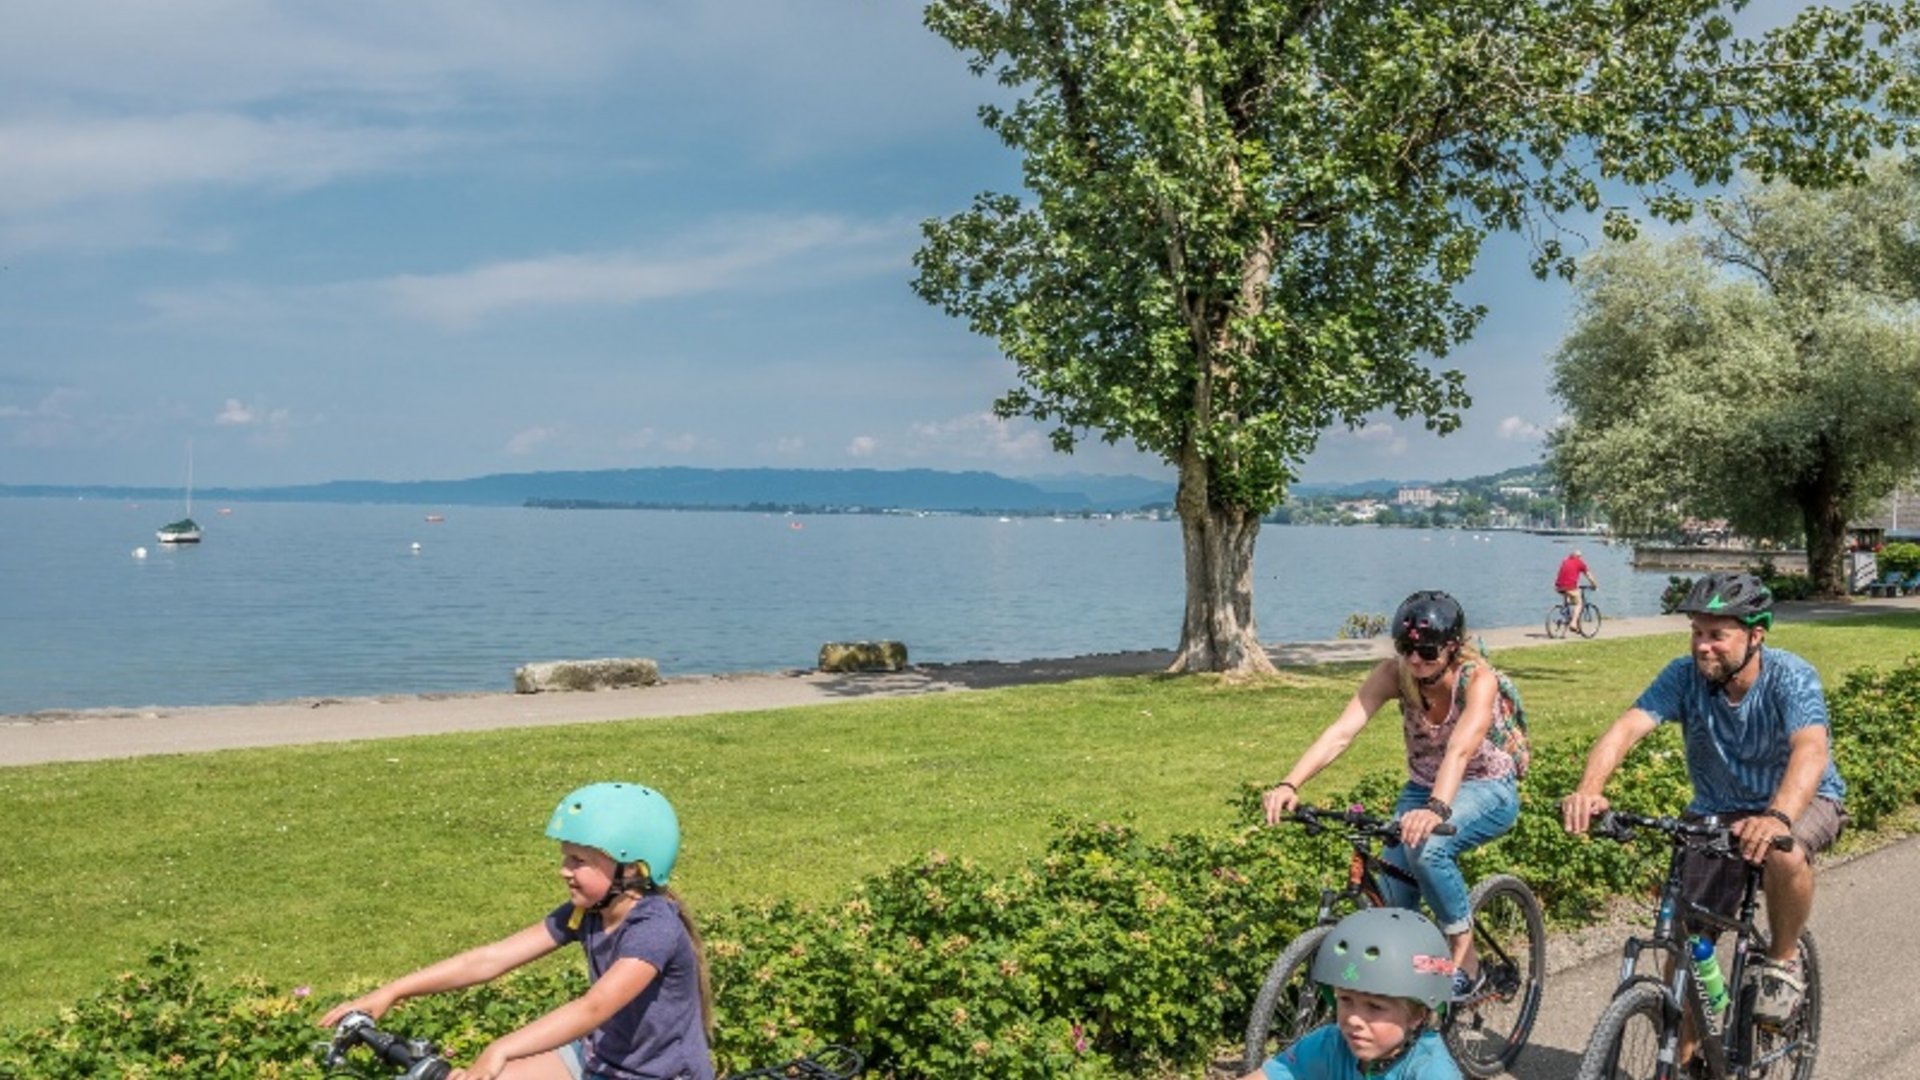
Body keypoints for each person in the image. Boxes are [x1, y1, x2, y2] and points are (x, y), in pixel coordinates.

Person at [1561, 572, 1844, 1042]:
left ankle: (1783, 959)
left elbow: (1810, 750)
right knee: (1686, 946)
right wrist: (1589, 788)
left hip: (1803, 799)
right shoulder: (1682, 677)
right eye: (1696, 632)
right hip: (1718, 808)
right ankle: (1688, 1060)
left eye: (1717, 635)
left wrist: (1777, 816)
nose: (1702, 646)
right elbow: (1627, 728)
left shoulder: (1790, 676)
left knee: (1783, 851)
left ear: (1756, 635)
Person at [320, 782, 715, 1080]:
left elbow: (594, 1008)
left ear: (633, 870)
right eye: (564, 857)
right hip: (602, 1057)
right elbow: (490, 959)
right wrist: (391, 991)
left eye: (579, 860)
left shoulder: (654, 928)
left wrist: (501, 1049)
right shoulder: (589, 912)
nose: (564, 869)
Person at [1262, 590, 1528, 996]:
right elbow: (1341, 732)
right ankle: (1405, 1001)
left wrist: (1436, 810)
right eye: (1406, 649)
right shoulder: (1394, 674)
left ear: (1453, 648)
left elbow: (1460, 750)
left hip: (1487, 787)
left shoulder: (1478, 679)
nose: (1415, 660)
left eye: (1427, 650)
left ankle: (1467, 960)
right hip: (1423, 787)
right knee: (1393, 906)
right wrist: (1289, 783)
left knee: (1428, 849)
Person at [1239, 908, 1463, 1080]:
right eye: (1345, 1000)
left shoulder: (1431, 1070)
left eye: (1375, 1007)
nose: (1353, 1019)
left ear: (1418, 1015)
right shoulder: (1332, 1043)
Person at [1555, 549, 1598, 628]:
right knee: (1579, 604)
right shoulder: (1579, 563)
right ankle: (1573, 623)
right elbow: (1588, 575)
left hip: (1559, 586)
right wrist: (1594, 585)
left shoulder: (1565, 561)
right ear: (1578, 557)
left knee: (1568, 596)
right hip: (1570, 586)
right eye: (1580, 556)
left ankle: (1565, 613)